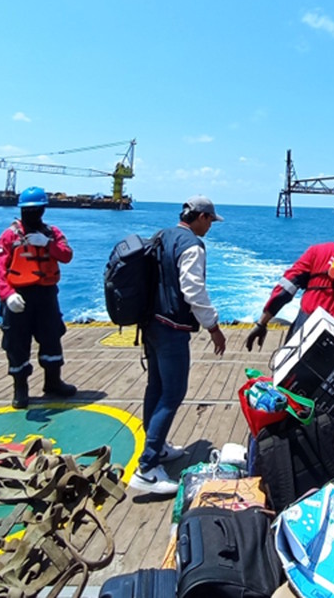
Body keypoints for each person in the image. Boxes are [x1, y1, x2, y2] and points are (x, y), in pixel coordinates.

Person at [128, 195, 228, 496]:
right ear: (200, 217)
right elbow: (193, 289)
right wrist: (213, 327)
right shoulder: (192, 246)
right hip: (172, 329)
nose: (210, 226)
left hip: (151, 324)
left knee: (155, 389)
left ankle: (156, 449)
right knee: (173, 393)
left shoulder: (162, 236)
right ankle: (147, 468)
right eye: (210, 220)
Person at [244, 211, 334, 355]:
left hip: (307, 329)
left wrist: (261, 323)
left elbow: (285, 289)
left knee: (289, 376)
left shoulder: (317, 252)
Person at [0, 186, 76, 409]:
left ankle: (53, 382)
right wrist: (8, 295)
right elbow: (0, 270)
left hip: (46, 295)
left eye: (36, 209)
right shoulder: (10, 236)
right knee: (16, 343)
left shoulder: (52, 233)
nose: (31, 214)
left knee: (51, 337)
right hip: (18, 296)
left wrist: (47, 244)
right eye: (27, 210)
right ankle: (20, 388)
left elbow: (67, 255)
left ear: (43, 210)